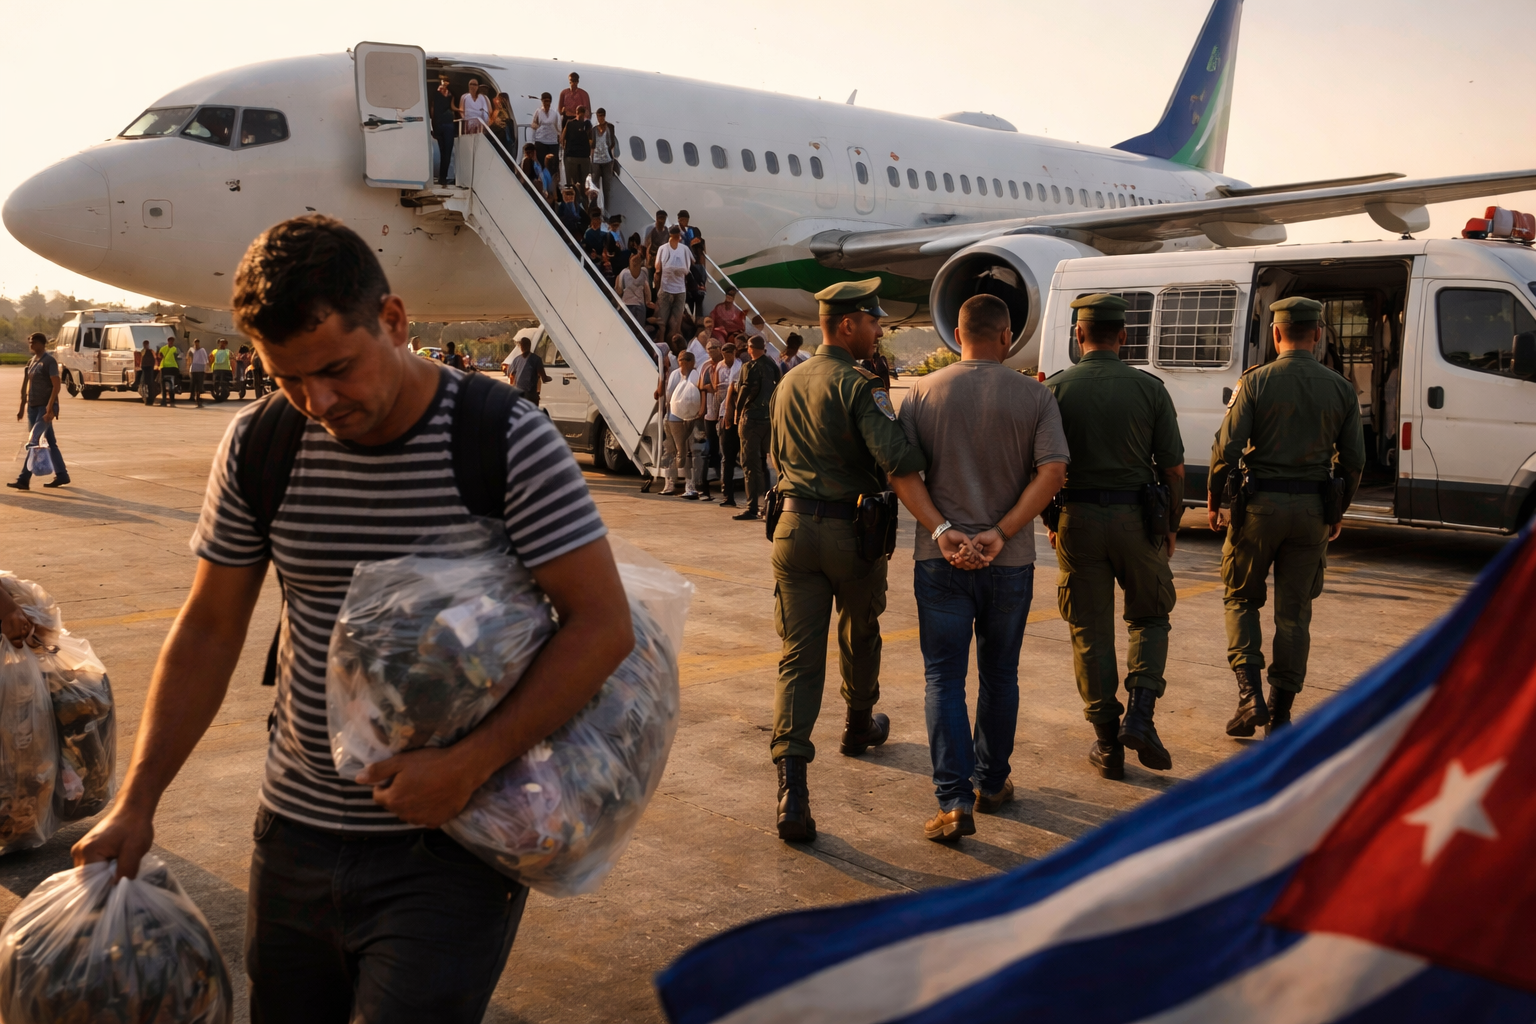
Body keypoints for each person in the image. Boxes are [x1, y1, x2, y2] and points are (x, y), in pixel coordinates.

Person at [72, 214, 632, 1024]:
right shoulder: (262, 444)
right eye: (288, 379)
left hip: (451, 847)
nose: (319, 402)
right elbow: (209, 629)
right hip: (293, 834)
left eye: (337, 369)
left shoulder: (502, 438)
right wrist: (138, 798)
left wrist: (469, 763)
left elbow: (601, 624)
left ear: (393, 320)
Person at [891, 294, 1069, 842]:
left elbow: (901, 473)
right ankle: (991, 783)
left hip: (939, 560)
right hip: (1009, 562)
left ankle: (952, 801)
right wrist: (1002, 532)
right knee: (999, 674)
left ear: (956, 335)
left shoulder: (920, 393)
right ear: (1007, 335)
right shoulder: (1035, 395)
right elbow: (1053, 472)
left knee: (943, 677)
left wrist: (943, 530)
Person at [765, 279, 927, 842]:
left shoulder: (788, 380)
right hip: (849, 533)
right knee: (860, 629)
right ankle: (858, 725)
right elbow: (898, 457)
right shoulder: (859, 386)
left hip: (791, 529)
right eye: (874, 321)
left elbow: (775, 454)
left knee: (798, 656)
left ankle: (792, 788)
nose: (879, 330)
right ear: (848, 325)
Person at [1208, 296, 1366, 738]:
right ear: (1317, 334)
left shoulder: (1255, 381)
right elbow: (1354, 460)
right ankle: (1280, 714)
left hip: (1258, 510)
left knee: (1241, 599)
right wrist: (1337, 510)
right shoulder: (1340, 388)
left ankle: (1249, 696)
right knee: (1294, 614)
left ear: (1276, 334)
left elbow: (1226, 448)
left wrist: (1215, 498)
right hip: (1313, 511)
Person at [1044, 293, 1185, 781]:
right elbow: (1173, 468)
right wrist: (1170, 525)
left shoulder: (1055, 390)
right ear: (1124, 336)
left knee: (1089, 629)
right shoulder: (1149, 389)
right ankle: (1141, 715)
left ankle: (1107, 745)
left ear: (1078, 335)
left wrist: (1051, 520)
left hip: (1077, 519)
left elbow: (1042, 467)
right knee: (1150, 616)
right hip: (1137, 521)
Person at [9, 332, 68, 491]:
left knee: (33, 441)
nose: (31, 345)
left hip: (44, 408)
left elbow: (56, 386)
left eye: (33, 342)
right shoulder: (32, 362)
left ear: (42, 344)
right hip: (33, 407)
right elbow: (26, 385)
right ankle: (62, 474)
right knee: (50, 442)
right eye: (30, 342)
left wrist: (50, 407)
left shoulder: (49, 361)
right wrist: (22, 406)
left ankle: (23, 479)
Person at [732, 335, 778, 521]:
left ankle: (751, 507)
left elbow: (744, 389)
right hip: (769, 420)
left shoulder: (749, 367)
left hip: (751, 420)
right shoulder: (773, 365)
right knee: (766, 464)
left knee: (750, 465)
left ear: (750, 348)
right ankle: (768, 506)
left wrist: (737, 411)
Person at [662, 350, 702, 498]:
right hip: (674, 417)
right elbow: (669, 395)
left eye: (685, 361)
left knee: (687, 451)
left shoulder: (695, 375)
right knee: (673, 451)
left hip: (688, 418)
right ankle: (670, 483)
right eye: (680, 361)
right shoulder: (675, 374)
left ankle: (689, 484)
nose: (682, 364)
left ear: (692, 362)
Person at [714, 340, 744, 508]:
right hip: (723, 413)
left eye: (729, 355)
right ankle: (727, 495)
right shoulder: (719, 367)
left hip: (737, 416)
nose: (726, 358)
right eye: (724, 355)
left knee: (745, 457)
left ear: (734, 354)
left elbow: (735, 393)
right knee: (727, 458)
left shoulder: (741, 368)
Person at [653, 226, 692, 346]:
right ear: (679, 236)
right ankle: (672, 347)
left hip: (668, 289)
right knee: (675, 324)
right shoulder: (684, 249)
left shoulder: (662, 249)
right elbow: (688, 269)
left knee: (662, 323)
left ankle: (662, 348)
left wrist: (657, 290)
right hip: (678, 290)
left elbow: (657, 270)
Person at [506, 335, 550, 405]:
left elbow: (510, 375)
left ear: (521, 347)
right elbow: (543, 377)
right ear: (529, 346)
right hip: (531, 395)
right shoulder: (536, 359)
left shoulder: (516, 360)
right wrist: (547, 378)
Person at [591, 108, 618, 212]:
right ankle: (595, 209)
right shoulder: (594, 129)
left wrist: (608, 151)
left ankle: (607, 210)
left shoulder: (610, 127)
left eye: (602, 116)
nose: (600, 118)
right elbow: (592, 144)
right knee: (595, 187)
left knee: (607, 188)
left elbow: (612, 142)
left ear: (604, 116)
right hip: (596, 160)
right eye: (599, 116)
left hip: (607, 160)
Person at [561, 105, 593, 191]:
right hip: (584, 157)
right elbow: (591, 140)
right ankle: (584, 198)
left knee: (572, 184)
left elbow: (562, 138)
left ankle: (575, 198)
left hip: (571, 156)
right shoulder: (588, 124)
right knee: (585, 184)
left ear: (576, 112)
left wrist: (565, 149)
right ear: (584, 113)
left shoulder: (569, 123)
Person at [431, 76, 456, 184]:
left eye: (446, 81)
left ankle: (443, 177)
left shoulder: (451, 94)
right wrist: (433, 125)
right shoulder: (435, 93)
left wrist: (460, 110)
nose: (444, 83)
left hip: (447, 124)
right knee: (443, 151)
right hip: (440, 124)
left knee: (447, 152)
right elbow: (432, 108)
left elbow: (452, 107)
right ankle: (442, 176)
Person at [617, 252, 652, 326]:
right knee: (639, 329)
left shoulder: (623, 273)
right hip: (638, 305)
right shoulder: (644, 271)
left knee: (627, 329)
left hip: (627, 304)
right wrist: (648, 301)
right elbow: (647, 290)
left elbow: (619, 291)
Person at [530, 92, 559, 173]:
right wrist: (536, 127)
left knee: (553, 164)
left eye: (548, 101)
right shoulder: (538, 111)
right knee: (541, 162)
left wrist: (559, 136)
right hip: (541, 140)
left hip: (552, 141)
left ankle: (552, 179)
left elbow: (558, 126)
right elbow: (533, 123)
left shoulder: (555, 112)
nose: (547, 103)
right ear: (542, 101)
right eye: (545, 101)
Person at [158, 338, 181, 406]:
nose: (171, 342)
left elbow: (159, 356)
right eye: (171, 341)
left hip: (169, 367)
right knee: (163, 383)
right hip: (167, 367)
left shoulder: (168, 348)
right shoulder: (173, 349)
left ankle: (165, 400)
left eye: (172, 341)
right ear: (168, 341)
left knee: (164, 383)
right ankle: (165, 399)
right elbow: (177, 356)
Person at [188, 338, 209, 408]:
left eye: (197, 342)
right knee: (193, 383)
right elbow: (188, 358)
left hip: (200, 369)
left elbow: (206, 359)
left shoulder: (202, 350)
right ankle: (192, 396)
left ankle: (198, 398)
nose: (196, 344)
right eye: (195, 342)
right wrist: (188, 367)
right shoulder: (191, 350)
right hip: (194, 369)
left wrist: (206, 367)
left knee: (199, 384)